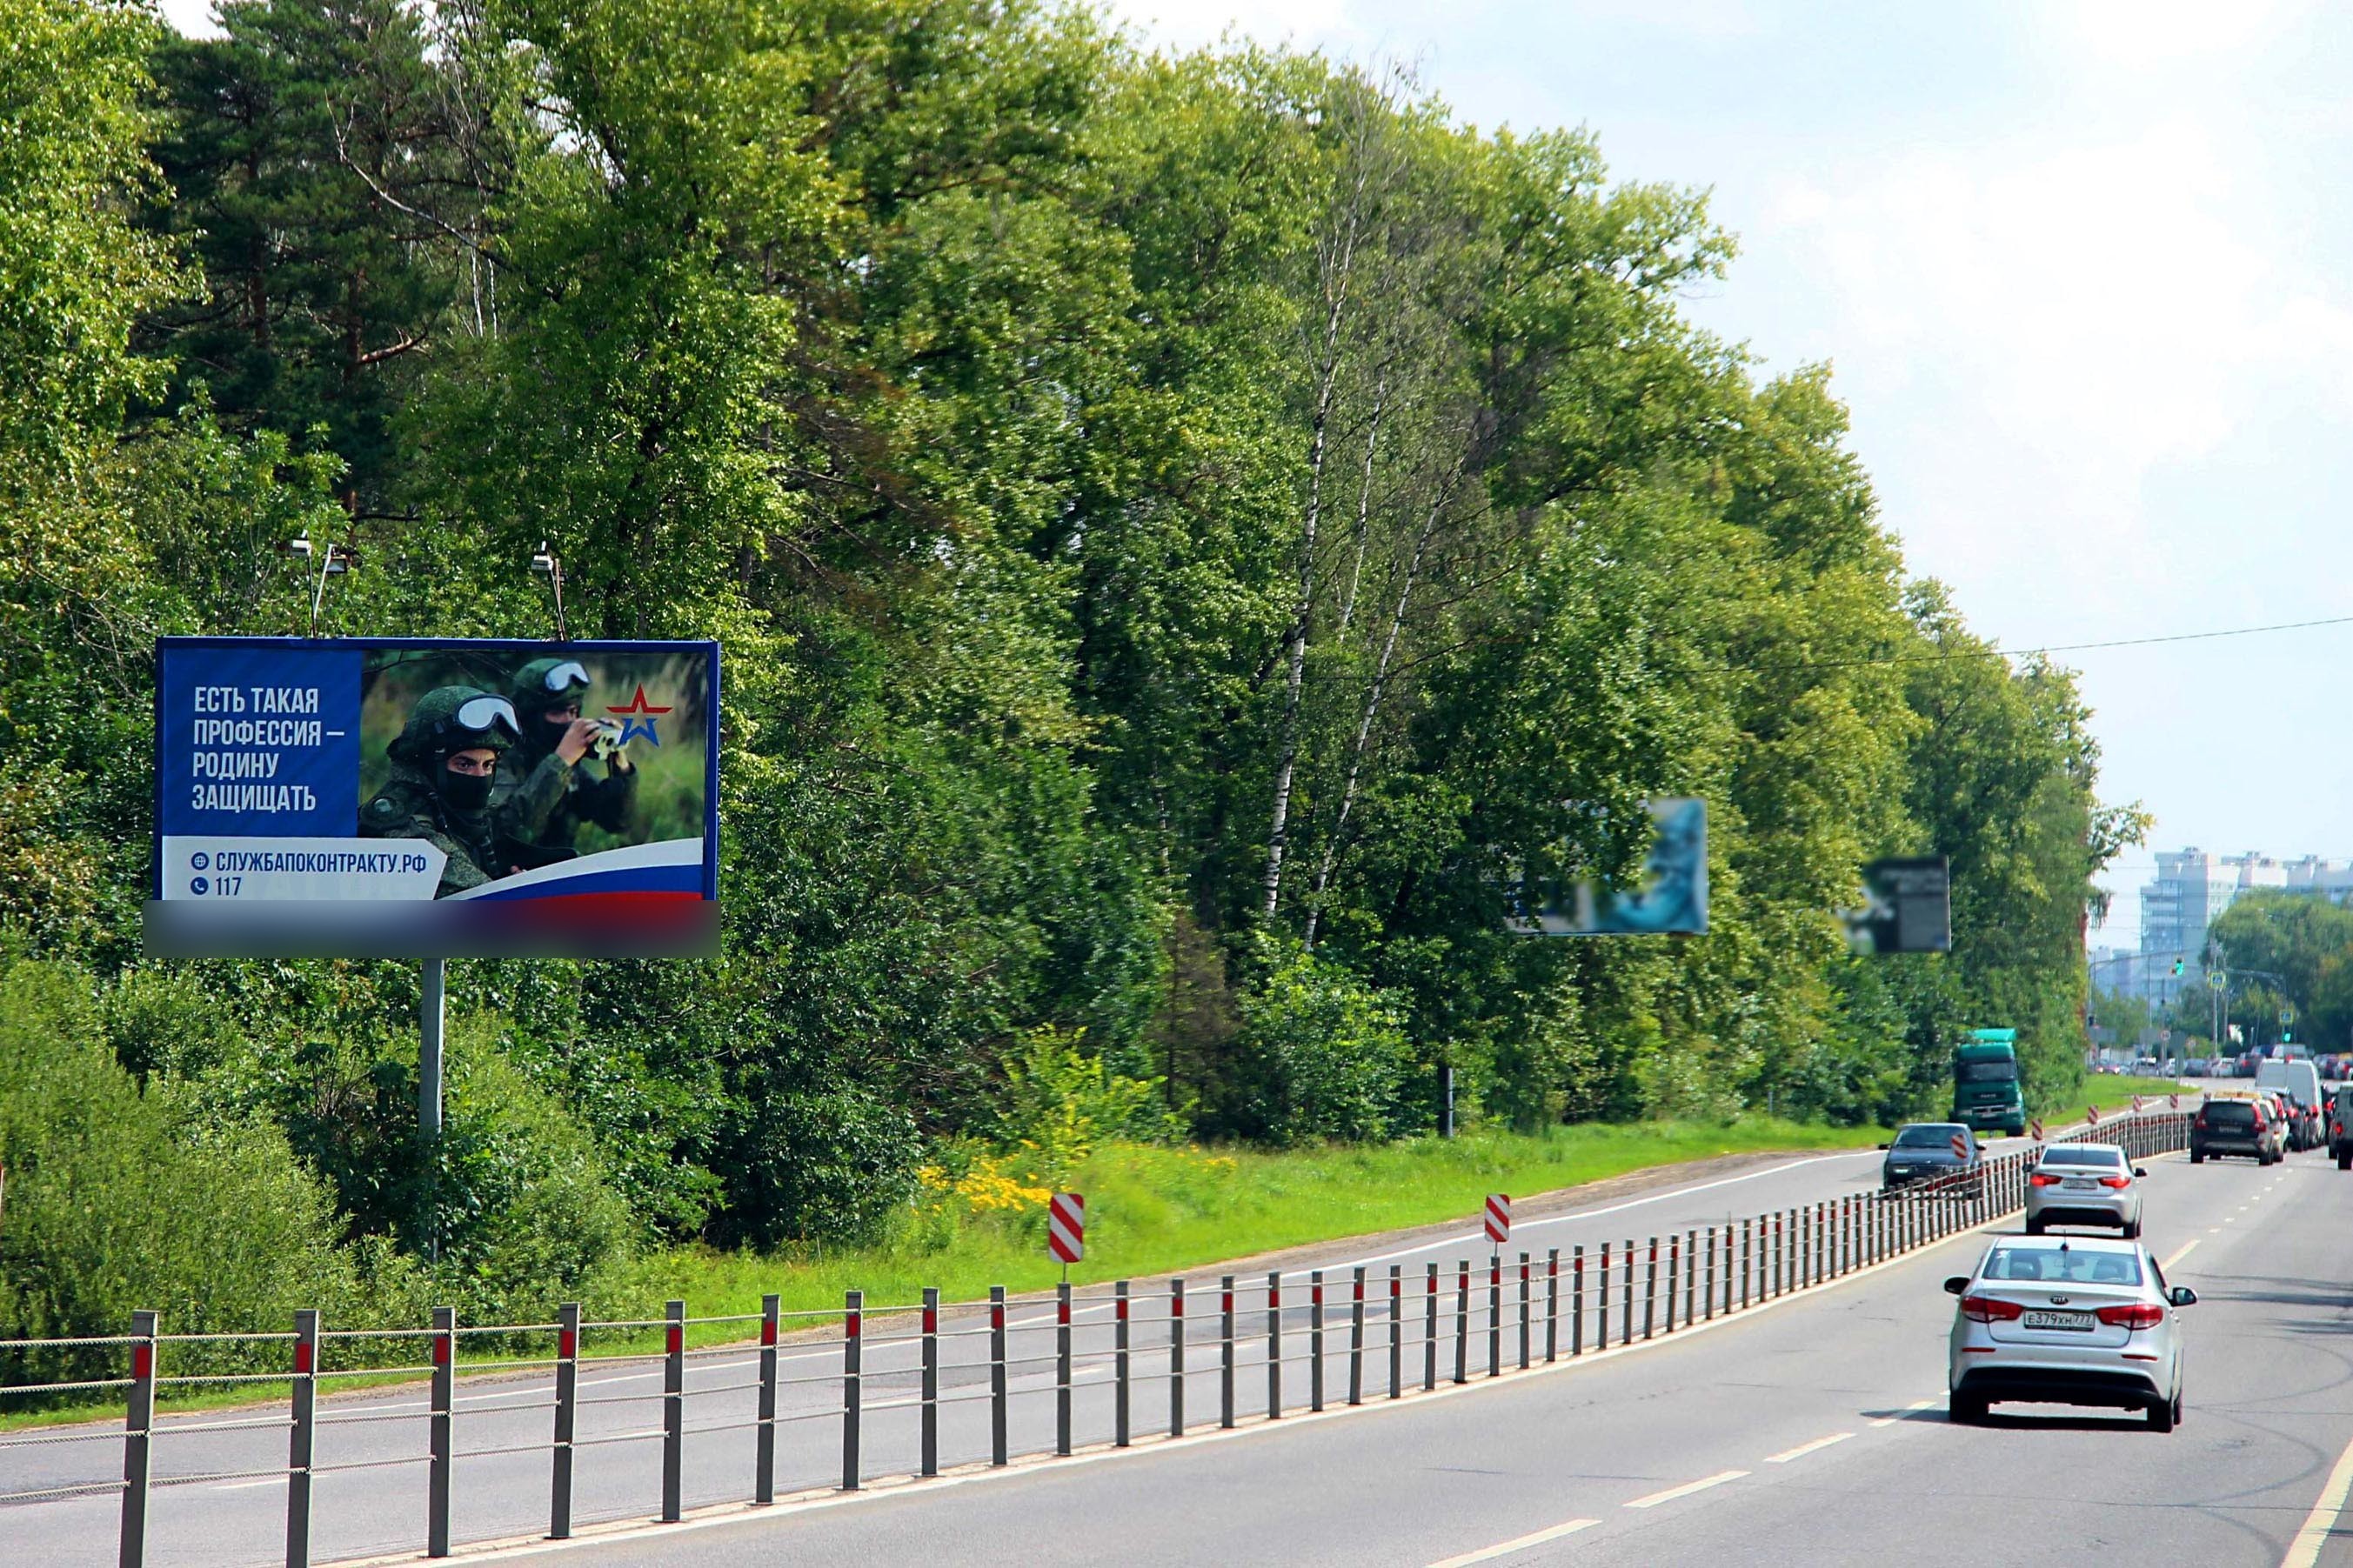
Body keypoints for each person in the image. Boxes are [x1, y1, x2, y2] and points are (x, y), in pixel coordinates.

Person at [359, 686, 552, 897]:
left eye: (488, 765)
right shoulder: (404, 825)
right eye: (464, 764)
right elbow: (482, 898)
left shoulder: (455, 813)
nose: (480, 776)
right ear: (431, 763)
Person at [495, 657, 637, 859]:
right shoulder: (500, 760)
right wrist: (561, 761)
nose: (570, 720)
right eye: (557, 712)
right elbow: (510, 832)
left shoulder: (572, 769)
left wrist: (620, 767)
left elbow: (617, 822)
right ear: (529, 717)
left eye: (573, 711)